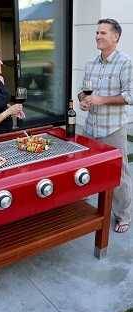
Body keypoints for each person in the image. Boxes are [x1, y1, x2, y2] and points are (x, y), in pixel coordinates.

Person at [78, 18, 133, 233]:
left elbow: (130, 96)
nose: (98, 36)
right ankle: (91, 210)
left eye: (102, 33)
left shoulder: (125, 62)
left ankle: (123, 215)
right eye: (97, 33)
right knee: (90, 172)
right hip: (91, 127)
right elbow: (84, 91)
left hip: (113, 129)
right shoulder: (91, 63)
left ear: (115, 37)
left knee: (119, 174)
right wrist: (84, 100)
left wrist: (102, 99)